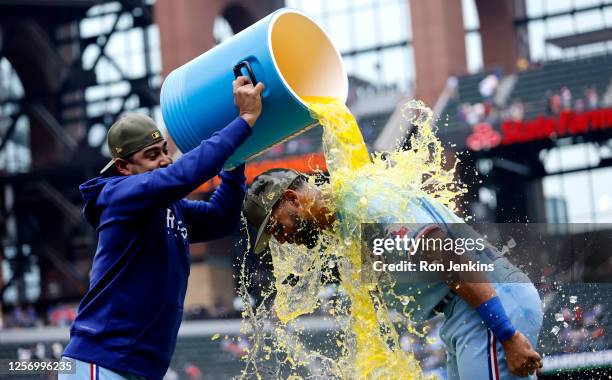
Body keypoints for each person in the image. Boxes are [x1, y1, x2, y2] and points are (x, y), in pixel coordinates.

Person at [243, 168, 544, 379]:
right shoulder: (343, 217)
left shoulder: (361, 201)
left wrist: (506, 333)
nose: (280, 238)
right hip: (464, 311)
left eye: (275, 226)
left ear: (293, 198)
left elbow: (447, 255)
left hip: (487, 304)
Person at [60, 76, 264, 380]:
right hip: (100, 363)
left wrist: (233, 165)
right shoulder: (118, 196)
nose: (165, 160)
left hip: (136, 368)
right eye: (152, 155)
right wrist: (243, 121)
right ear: (123, 167)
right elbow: (182, 176)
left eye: (164, 150)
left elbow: (221, 218)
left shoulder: (171, 207)